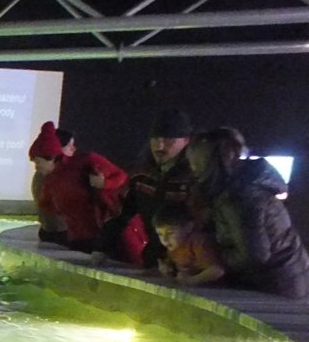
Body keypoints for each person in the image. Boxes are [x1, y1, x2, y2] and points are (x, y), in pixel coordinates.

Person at [186, 126, 309, 299]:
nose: (191, 166)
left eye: (193, 160)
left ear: (205, 162)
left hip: (276, 287)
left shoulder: (239, 197)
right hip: (282, 280)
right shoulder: (238, 187)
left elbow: (254, 256)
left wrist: (210, 258)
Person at [28, 121, 138, 261]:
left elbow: (122, 177)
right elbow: (47, 205)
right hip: (77, 237)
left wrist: (104, 183)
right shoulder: (49, 179)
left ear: (52, 157)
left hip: (104, 234)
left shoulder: (86, 161)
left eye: (38, 162)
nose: (36, 167)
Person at [102, 108, 197, 269]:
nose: (160, 146)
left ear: (186, 140)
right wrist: (102, 247)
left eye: (168, 140)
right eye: (155, 139)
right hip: (153, 259)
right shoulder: (141, 174)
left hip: (190, 264)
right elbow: (119, 211)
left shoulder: (194, 177)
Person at [152, 201, 225, 287]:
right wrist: (166, 269)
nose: (165, 239)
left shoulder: (198, 242)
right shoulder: (174, 246)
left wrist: (192, 280)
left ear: (188, 227)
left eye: (170, 233)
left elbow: (217, 270)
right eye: (160, 234)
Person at [27, 121, 73, 244]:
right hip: (61, 235)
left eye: (37, 162)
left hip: (49, 232)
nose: (73, 149)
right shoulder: (52, 176)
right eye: (70, 145)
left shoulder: (42, 175)